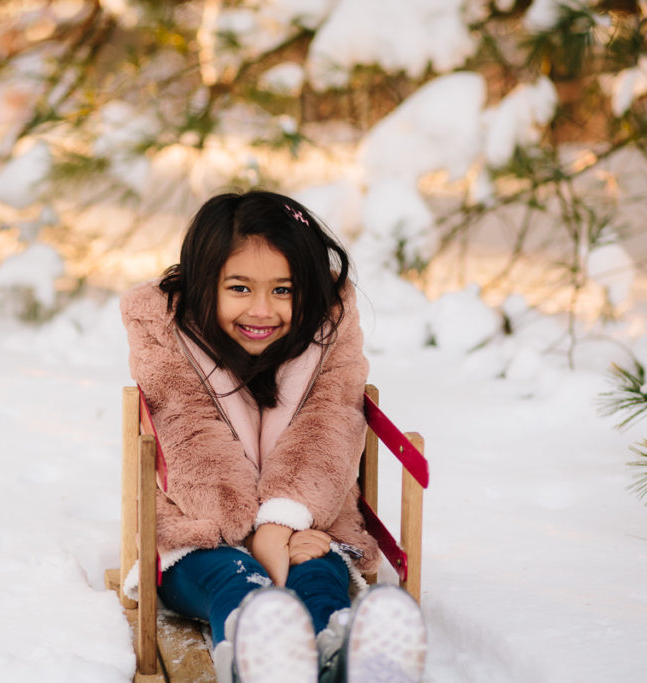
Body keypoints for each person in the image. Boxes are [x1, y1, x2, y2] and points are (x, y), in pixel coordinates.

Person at [120, 190, 426, 682]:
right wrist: (258, 540)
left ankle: (346, 658)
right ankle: (260, 659)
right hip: (198, 530)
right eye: (239, 288)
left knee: (319, 575)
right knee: (235, 582)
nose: (262, 310)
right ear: (204, 284)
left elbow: (330, 422)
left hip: (308, 519)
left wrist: (284, 522)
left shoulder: (328, 328)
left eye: (283, 290)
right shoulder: (164, 330)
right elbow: (187, 435)